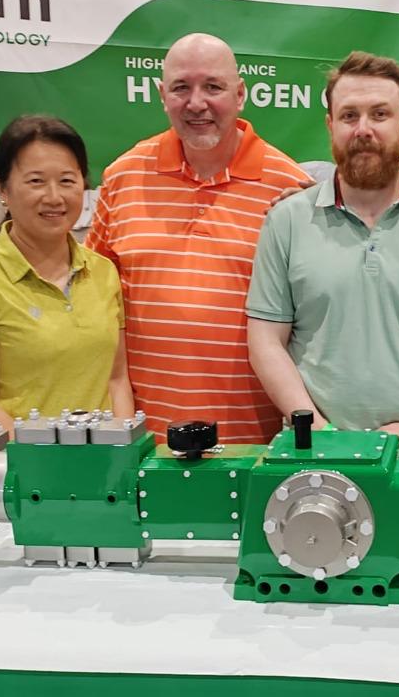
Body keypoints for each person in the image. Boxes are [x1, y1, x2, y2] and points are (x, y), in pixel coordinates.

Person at [246, 51, 399, 457]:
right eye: (349, 116)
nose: (363, 129)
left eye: (380, 114)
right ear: (330, 125)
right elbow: (265, 341)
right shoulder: (287, 220)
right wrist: (319, 431)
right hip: (313, 448)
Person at [86, 33, 312, 444]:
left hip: (254, 446)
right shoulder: (122, 177)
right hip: (146, 445)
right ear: (162, 95)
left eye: (212, 87)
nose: (196, 103)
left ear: (240, 94)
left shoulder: (290, 189)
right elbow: (96, 302)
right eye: (181, 88)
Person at [0, 115, 134, 433]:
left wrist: (119, 452)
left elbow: (116, 380)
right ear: (3, 189)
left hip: (95, 459)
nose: (54, 197)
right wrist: (54, 460)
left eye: (67, 181)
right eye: (36, 181)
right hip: (10, 461)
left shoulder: (103, 272)